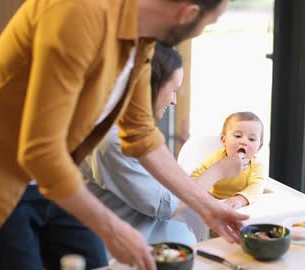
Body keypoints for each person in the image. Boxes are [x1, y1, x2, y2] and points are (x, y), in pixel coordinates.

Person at [0, 0, 247, 270]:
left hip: (55, 171)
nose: (201, 31)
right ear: (188, 13)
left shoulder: (142, 37)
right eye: (208, 23)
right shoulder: (77, 14)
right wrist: (114, 230)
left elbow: (139, 133)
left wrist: (206, 206)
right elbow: (39, 151)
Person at [81, 45, 247, 248]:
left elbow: (167, 183)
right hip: (136, 253)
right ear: (149, 87)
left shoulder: (133, 126)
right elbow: (167, 204)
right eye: (173, 90)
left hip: (161, 241)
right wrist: (219, 170)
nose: (175, 101)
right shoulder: (113, 140)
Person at [190, 112, 266, 209]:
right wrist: (206, 196)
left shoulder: (257, 165)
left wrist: (241, 199)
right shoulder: (216, 158)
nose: (244, 142)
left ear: (259, 147)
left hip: (242, 207)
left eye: (251, 139)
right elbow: (195, 176)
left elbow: (257, 187)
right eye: (238, 136)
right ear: (223, 140)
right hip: (214, 203)